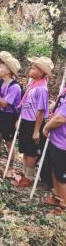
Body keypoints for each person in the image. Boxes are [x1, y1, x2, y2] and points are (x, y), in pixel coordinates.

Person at [13, 57, 53, 187]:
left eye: (34, 68)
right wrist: (20, 119)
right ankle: (24, 171)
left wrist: (36, 131)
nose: (31, 69)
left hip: (34, 123)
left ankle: (29, 176)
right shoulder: (32, 84)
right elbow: (26, 104)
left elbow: (40, 111)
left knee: (31, 151)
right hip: (26, 120)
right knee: (25, 147)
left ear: (41, 72)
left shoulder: (42, 89)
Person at [0, 54, 22, 162]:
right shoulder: (2, 82)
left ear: (9, 71)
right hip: (1, 113)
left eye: (2, 67)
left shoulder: (15, 87)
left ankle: (10, 165)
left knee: (9, 141)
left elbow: (4, 103)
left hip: (10, 115)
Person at [43, 85, 66, 214]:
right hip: (56, 139)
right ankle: (58, 196)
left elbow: (61, 118)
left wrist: (46, 127)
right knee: (55, 169)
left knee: (62, 175)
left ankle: (64, 204)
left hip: (63, 142)